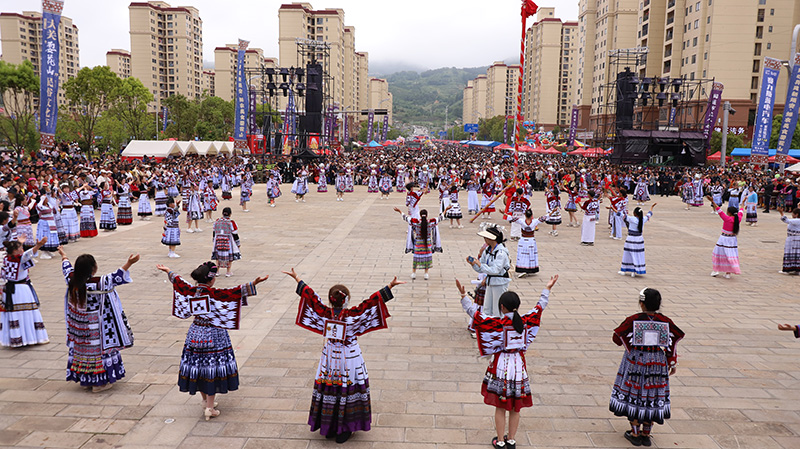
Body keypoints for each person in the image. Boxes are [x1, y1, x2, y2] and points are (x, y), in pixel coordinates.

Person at [282, 267, 404, 444]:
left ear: (331, 300)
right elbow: (370, 303)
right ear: (346, 300)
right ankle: (345, 429)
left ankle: (329, 426)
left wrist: (297, 279)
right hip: (349, 358)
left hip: (329, 358)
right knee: (348, 387)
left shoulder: (325, 314)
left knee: (330, 387)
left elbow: (311, 299)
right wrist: (390, 286)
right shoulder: (353, 316)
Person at [456, 274, 558, 449]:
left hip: (501, 365)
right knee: (515, 407)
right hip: (518, 366)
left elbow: (476, 315)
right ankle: (511, 439)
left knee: (500, 406)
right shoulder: (525, 322)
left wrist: (464, 295)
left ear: (502, 307)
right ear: (517, 306)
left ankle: (500, 440)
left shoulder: (497, 324)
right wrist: (547, 288)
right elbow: (540, 307)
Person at [157, 261, 268, 421]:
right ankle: (210, 407)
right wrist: (254, 283)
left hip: (195, 333)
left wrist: (168, 270)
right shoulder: (214, 294)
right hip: (214, 334)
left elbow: (178, 282)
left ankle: (204, 401)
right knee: (212, 368)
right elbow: (234, 292)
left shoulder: (192, 291)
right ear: (211, 279)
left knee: (199, 366)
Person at [610, 288, 684, 447]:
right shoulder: (665, 321)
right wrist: (672, 362)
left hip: (636, 361)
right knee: (652, 395)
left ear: (641, 304)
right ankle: (646, 433)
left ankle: (635, 433)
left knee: (635, 394)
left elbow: (617, 338)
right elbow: (672, 343)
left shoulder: (633, 320)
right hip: (657, 362)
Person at [61, 248, 138, 392]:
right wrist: (129, 263)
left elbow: (66, 268)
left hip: (79, 327)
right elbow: (118, 275)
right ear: (93, 268)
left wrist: (64, 256)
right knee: (96, 352)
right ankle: (99, 383)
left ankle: (87, 380)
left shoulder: (72, 280)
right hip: (96, 326)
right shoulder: (100, 283)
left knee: (83, 351)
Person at [0, 237, 49, 347]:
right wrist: (39, 245)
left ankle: (16, 339)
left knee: (15, 314)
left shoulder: (7, 259)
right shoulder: (19, 259)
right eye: (20, 248)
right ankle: (30, 337)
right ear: (14, 251)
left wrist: (20, 243)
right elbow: (28, 254)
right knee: (26, 314)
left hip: (10, 290)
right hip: (21, 290)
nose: (22, 249)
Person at [466, 225, 511, 317]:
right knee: (487, 308)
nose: (484, 239)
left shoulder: (501, 253)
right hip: (490, 282)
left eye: (486, 237)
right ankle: (487, 325)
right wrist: (473, 264)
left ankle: (498, 325)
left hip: (499, 282)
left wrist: (479, 264)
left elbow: (495, 270)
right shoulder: (487, 250)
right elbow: (481, 268)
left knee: (497, 309)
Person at [394, 207, 445, 280]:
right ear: (427, 215)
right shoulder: (431, 222)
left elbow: (406, 217)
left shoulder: (416, 222)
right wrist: (446, 210)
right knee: (427, 258)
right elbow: (440, 217)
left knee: (416, 258)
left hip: (418, 243)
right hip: (427, 243)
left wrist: (399, 211)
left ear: (420, 215)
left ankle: (414, 273)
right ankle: (426, 274)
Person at [619, 204, 656, 277]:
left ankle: (625, 269)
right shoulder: (643, 219)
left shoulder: (632, 219)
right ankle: (635, 270)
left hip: (631, 239)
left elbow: (621, 215)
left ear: (634, 213)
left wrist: (613, 209)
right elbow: (649, 214)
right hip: (639, 239)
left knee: (628, 254)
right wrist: (651, 207)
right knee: (637, 255)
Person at [508, 209, 545, 278]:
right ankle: (530, 268)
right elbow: (543, 218)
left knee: (523, 255)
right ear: (532, 215)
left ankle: (523, 269)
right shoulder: (534, 221)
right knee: (530, 255)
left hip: (523, 241)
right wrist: (552, 212)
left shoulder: (522, 221)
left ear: (525, 215)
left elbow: (511, 218)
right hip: (531, 241)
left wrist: (503, 213)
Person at [711, 202, 743, 278]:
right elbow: (741, 211)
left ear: (729, 213)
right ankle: (728, 273)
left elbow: (718, 210)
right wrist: (743, 203)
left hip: (724, 238)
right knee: (730, 255)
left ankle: (716, 270)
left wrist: (712, 201)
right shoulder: (738, 219)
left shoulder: (727, 218)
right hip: (732, 240)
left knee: (718, 253)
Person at [211, 207, 240, 277]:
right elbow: (235, 233)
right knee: (229, 257)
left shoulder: (217, 221)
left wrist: (214, 240)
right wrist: (238, 243)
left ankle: (217, 271)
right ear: (230, 214)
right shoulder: (231, 222)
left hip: (218, 240)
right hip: (228, 241)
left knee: (218, 256)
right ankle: (228, 271)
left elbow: (214, 231)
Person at [779, 208, 800, 274]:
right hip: (796, 239)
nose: (792, 214)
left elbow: (786, 220)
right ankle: (796, 269)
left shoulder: (797, 220)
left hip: (793, 239)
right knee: (796, 254)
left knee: (790, 253)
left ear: (796, 214)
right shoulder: (796, 220)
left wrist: (781, 213)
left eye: (793, 213)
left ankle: (788, 269)